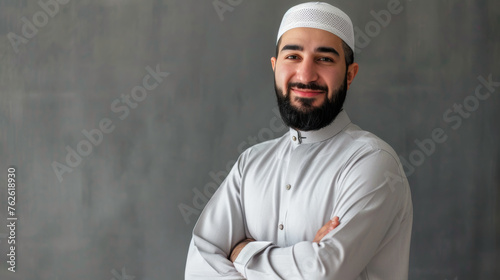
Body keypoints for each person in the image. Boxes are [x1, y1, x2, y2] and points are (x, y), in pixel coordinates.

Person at [185, 2, 413, 279]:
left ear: (350, 75)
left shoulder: (373, 162)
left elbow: (321, 272)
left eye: (325, 59)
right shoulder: (251, 163)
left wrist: (241, 253)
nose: (306, 75)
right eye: (293, 56)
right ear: (275, 66)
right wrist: (303, 259)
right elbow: (200, 261)